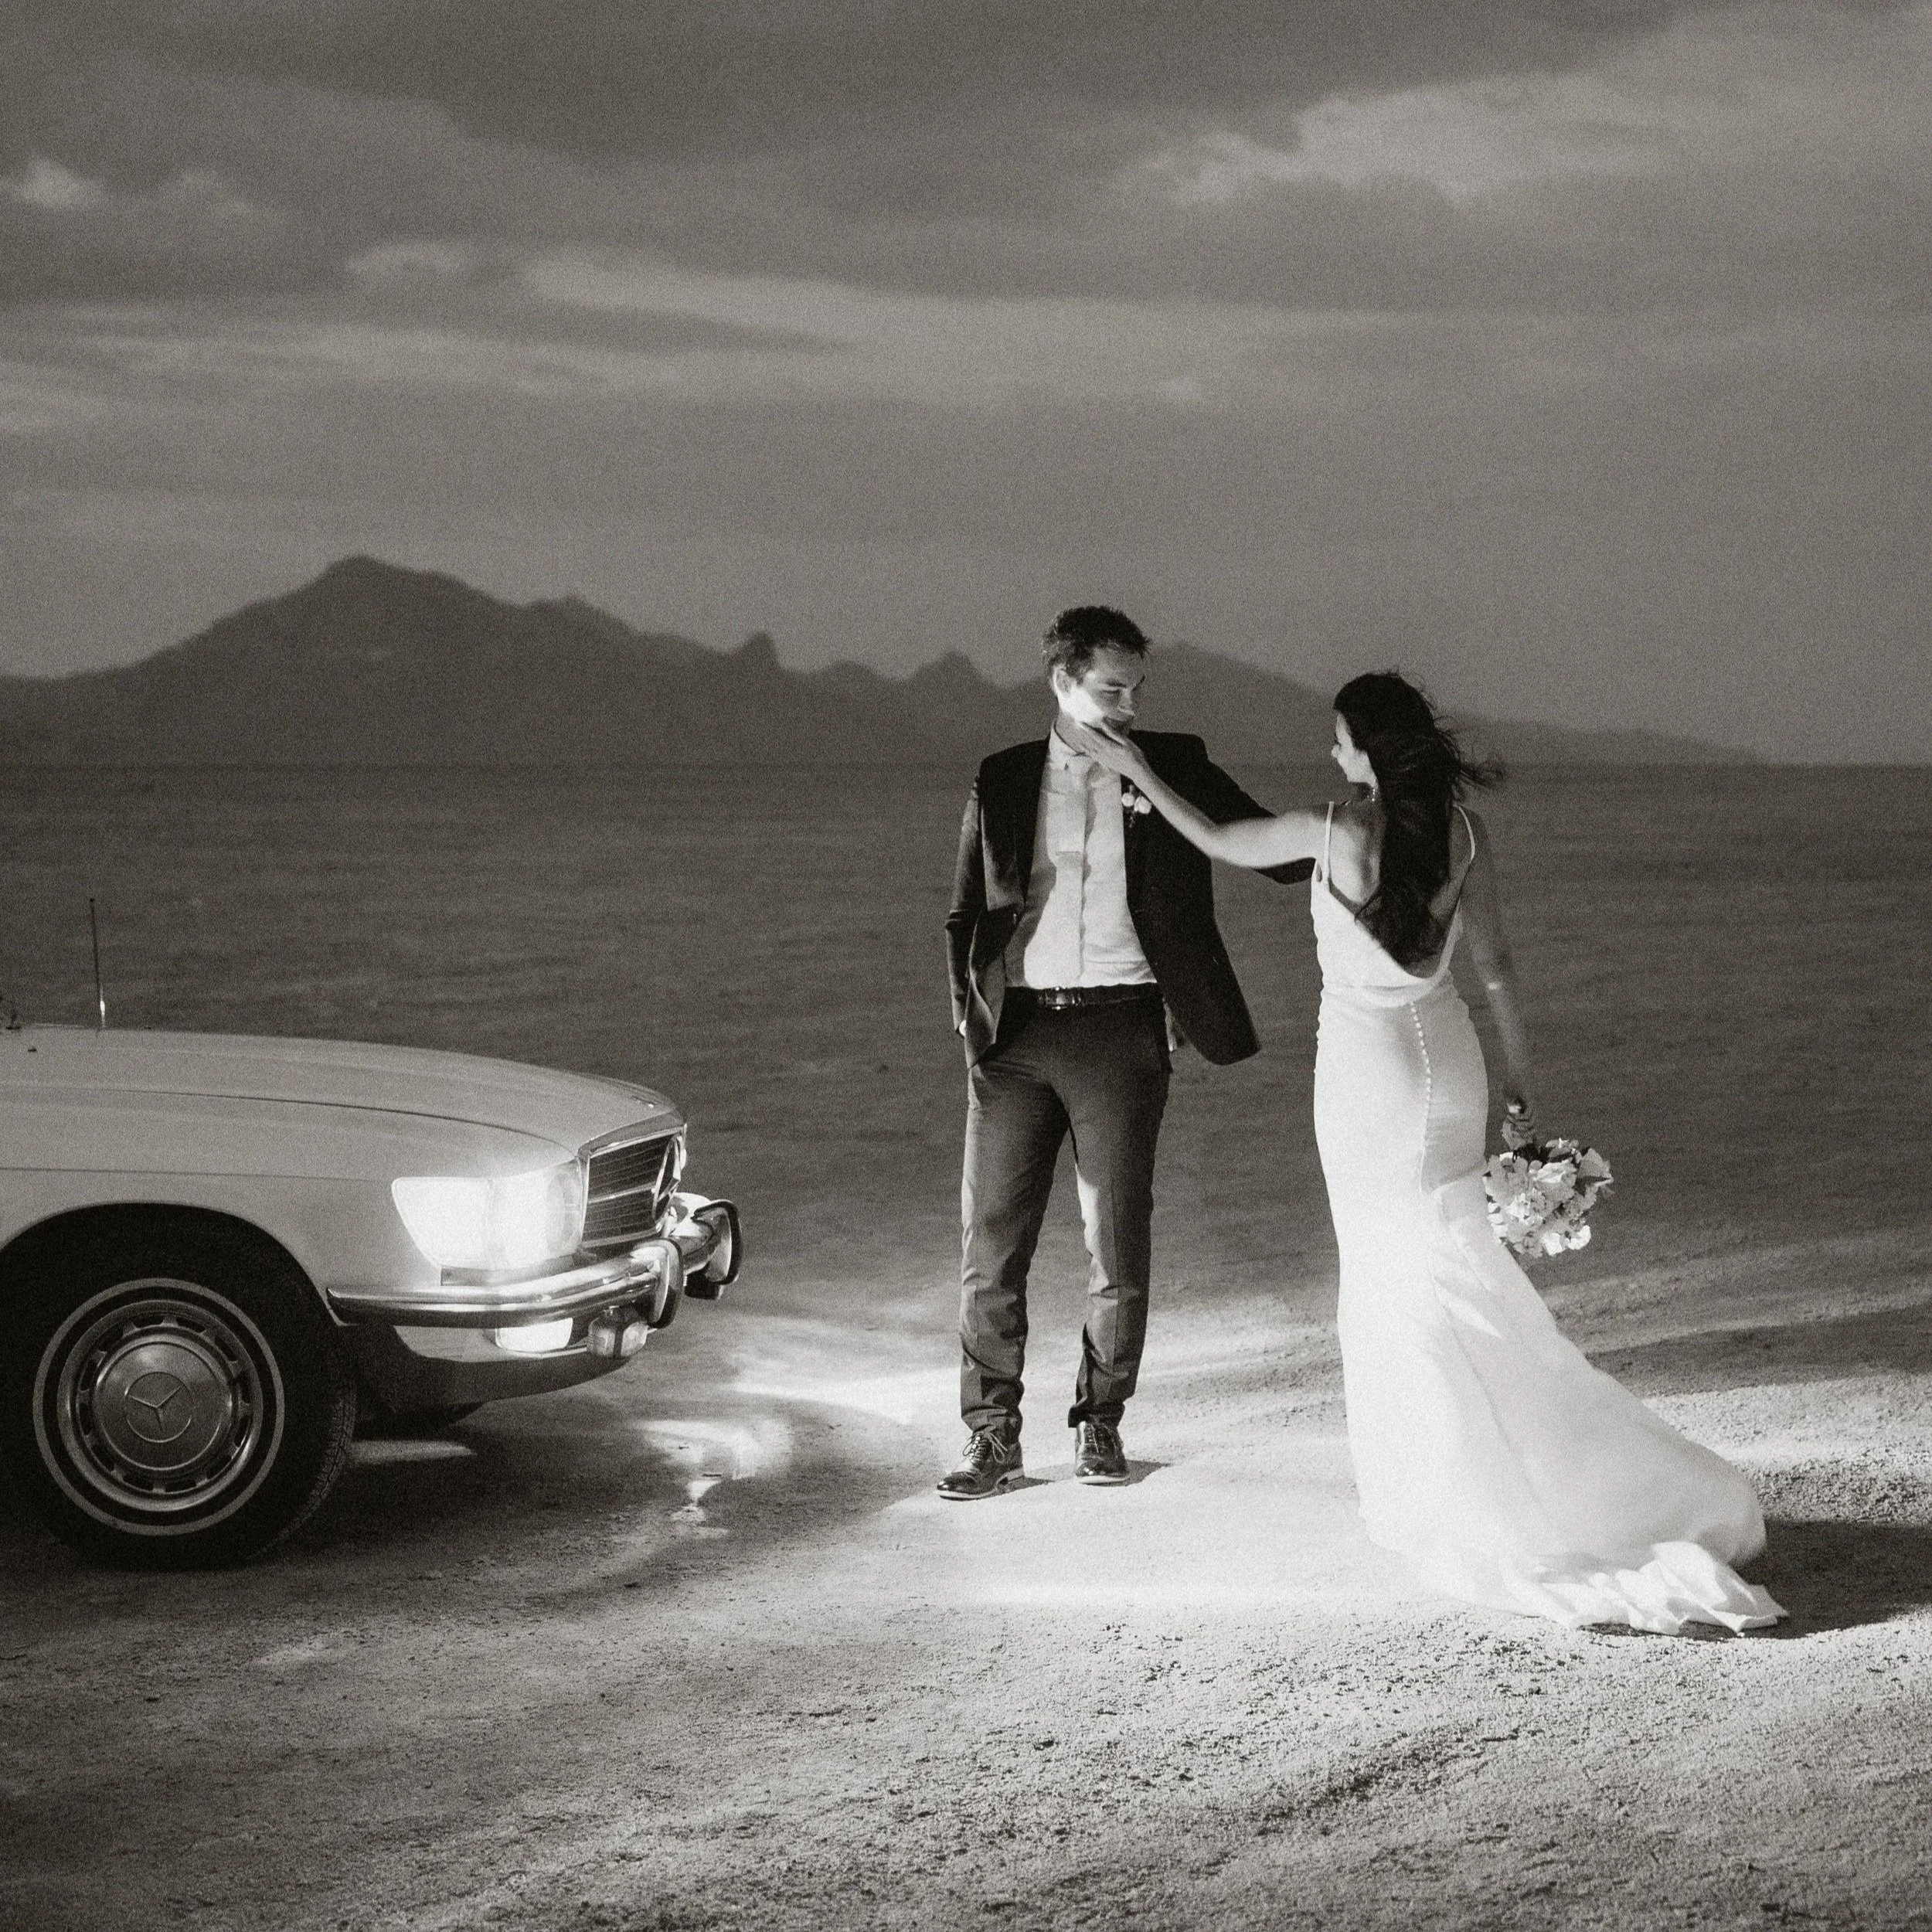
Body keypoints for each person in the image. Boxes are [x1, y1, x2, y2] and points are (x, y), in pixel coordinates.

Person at [1068, 670, 1784, 1634]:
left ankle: (1448, 1490)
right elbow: (1494, 967)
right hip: (1449, 1068)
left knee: (1389, 1277)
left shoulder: (1335, 830)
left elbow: (1214, 838)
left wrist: (1135, 766)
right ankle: (1536, 1464)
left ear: (1367, 748)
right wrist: (1521, 1083)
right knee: (1451, 1261)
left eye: (1338, 740)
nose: (1331, 755)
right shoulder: (1459, 836)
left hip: (1366, 1081)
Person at [940, 607, 1309, 1498]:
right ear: (1061, 681)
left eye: (1139, 687)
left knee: (1116, 1238)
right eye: (1112, 688)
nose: (1129, 704)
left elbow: (1281, 855)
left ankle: (1099, 1421)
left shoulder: (1170, 762)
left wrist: (1372, 832)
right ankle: (991, 1437)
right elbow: (966, 909)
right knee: (991, 1244)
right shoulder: (1004, 774)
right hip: (1017, 1036)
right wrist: (969, 1017)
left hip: (1123, 1027)